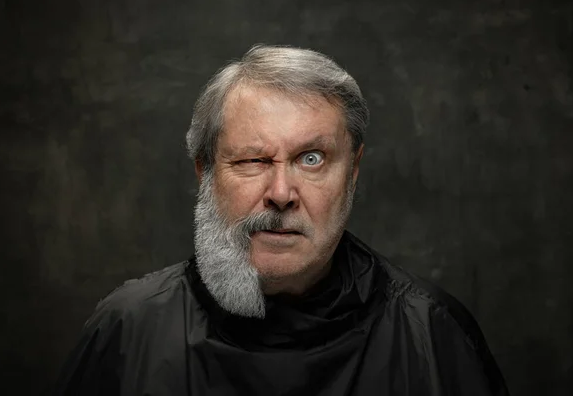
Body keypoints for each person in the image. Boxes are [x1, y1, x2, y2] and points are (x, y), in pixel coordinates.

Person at [53, 44, 510, 396]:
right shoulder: (127, 331)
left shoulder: (430, 332)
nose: (280, 194)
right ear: (206, 173)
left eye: (311, 159)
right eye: (253, 159)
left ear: (352, 171)